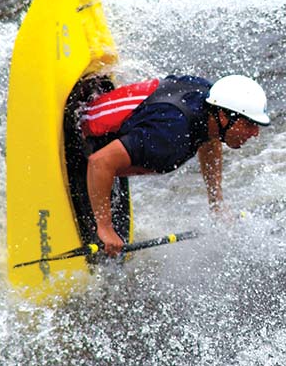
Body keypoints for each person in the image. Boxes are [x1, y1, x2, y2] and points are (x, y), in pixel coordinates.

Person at [79, 73, 270, 257]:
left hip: (106, 136)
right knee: (108, 255)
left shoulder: (208, 102)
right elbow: (99, 162)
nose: (254, 133)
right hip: (81, 146)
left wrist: (216, 202)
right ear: (223, 116)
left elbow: (211, 141)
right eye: (248, 125)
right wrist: (105, 227)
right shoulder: (171, 132)